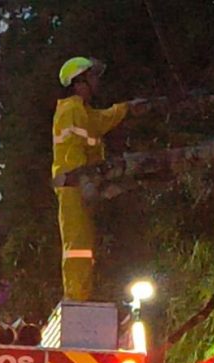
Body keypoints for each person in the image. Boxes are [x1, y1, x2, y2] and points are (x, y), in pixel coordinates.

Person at [52, 56, 144, 301]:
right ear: (79, 81)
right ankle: (75, 297)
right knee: (77, 244)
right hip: (74, 183)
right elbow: (72, 152)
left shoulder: (81, 111)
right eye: (92, 77)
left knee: (83, 242)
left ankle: (79, 294)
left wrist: (125, 108)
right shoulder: (71, 110)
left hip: (79, 181)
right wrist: (87, 182)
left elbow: (102, 120)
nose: (96, 82)